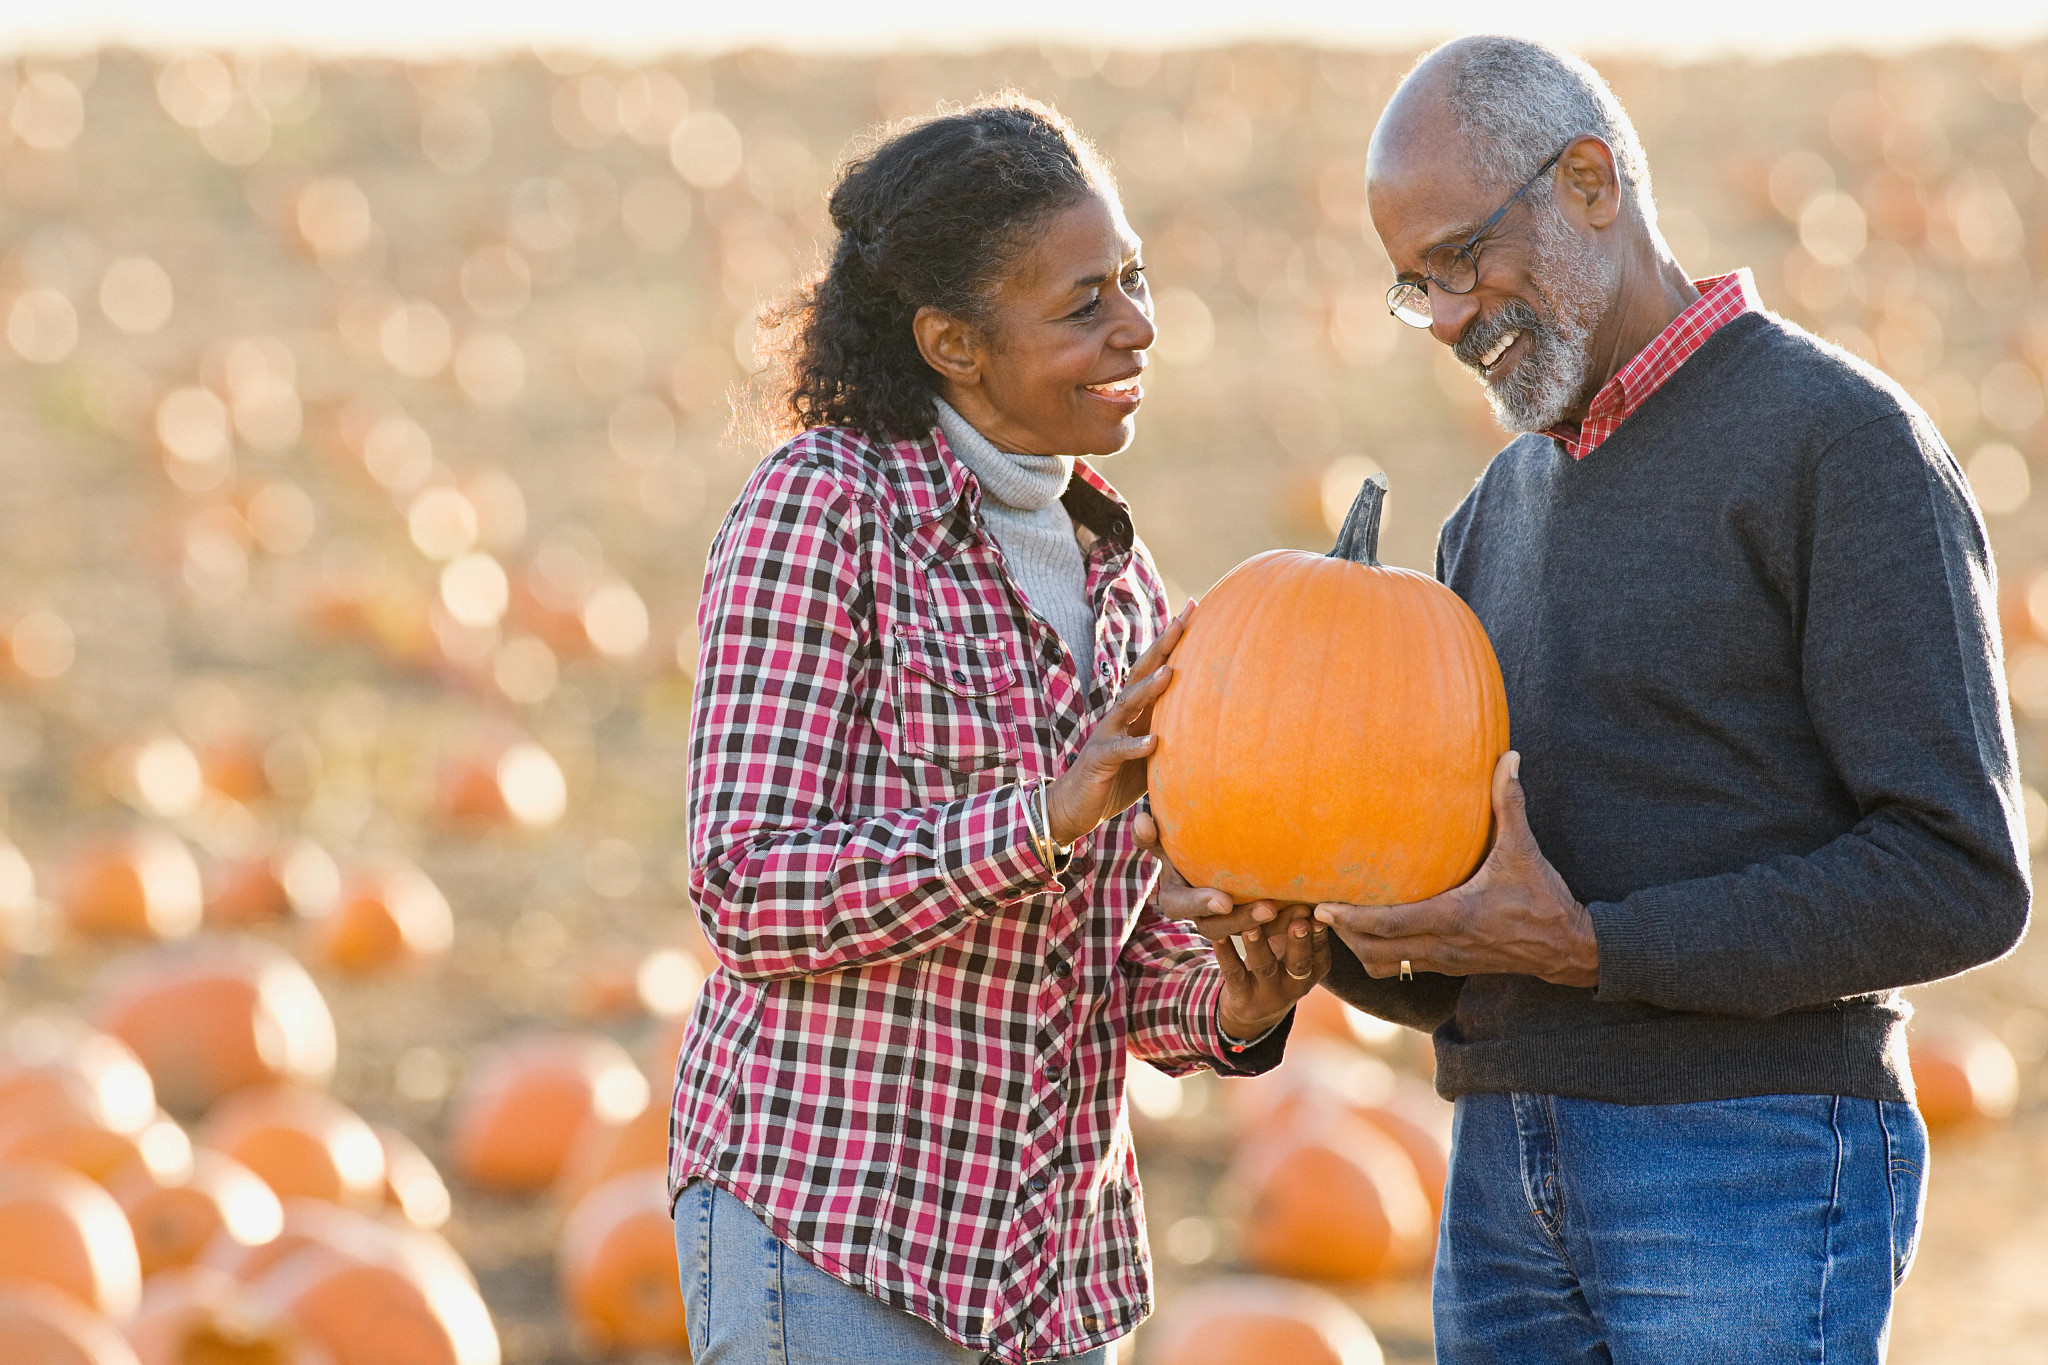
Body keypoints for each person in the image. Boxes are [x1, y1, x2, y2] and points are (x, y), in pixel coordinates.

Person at [1146, 35, 2030, 1364]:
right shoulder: (1495, 513)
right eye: (1412, 286)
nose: (1444, 316)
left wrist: (1597, 945)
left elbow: (1959, 875)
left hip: (1747, 1164)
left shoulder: (1836, 444)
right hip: (1502, 1168)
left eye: (1460, 260)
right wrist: (1319, 950)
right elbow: (1479, 955)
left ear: (1589, 179)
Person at [669, 98, 1329, 1365]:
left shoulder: (1125, 585)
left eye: (1133, 281)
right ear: (953, 343)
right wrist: (1035, 819)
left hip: (1047, 1278)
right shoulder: (826, 511)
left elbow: (1099, 969)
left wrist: (1235, 1004)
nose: (1136, 326)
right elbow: (745, 887)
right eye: (1084, 304)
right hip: (831, 1237)